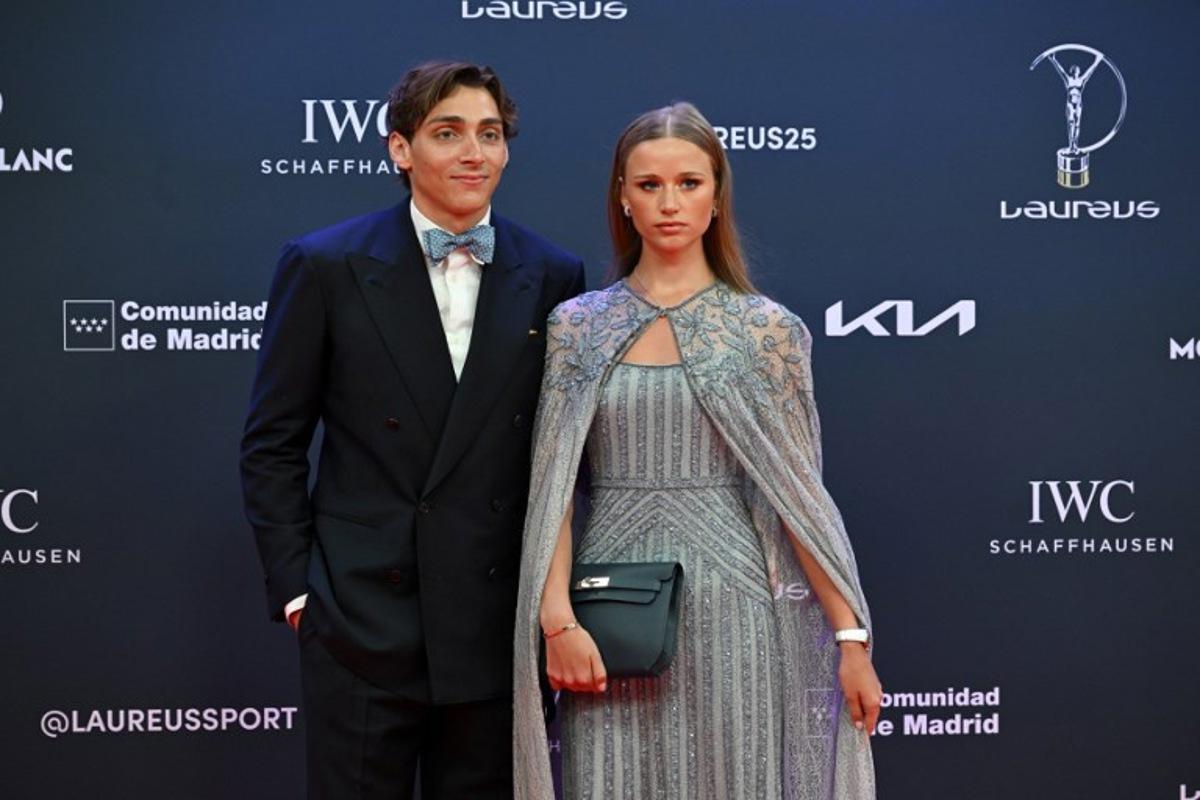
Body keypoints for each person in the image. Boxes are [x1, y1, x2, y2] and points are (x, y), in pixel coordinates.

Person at [513, 102, 881, 799]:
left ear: (717, 195)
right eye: (649, 185)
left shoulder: (766, 331)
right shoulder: (578, 327)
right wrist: (555, 620)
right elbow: (552, 492)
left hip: (735, 604)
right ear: (622, 197)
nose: (669, 202)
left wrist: (851, 641)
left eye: (689, 182)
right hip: (612, 612)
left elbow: (802, 501)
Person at [240, 61, 585, 799]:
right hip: (360, 620)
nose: (473, 152)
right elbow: (273, 440)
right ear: (400, 148)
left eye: (489, 135)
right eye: (447, 132)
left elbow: (561, 455)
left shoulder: (554, 273)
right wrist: (299, 593)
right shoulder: (326, 263)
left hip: (496, 625)